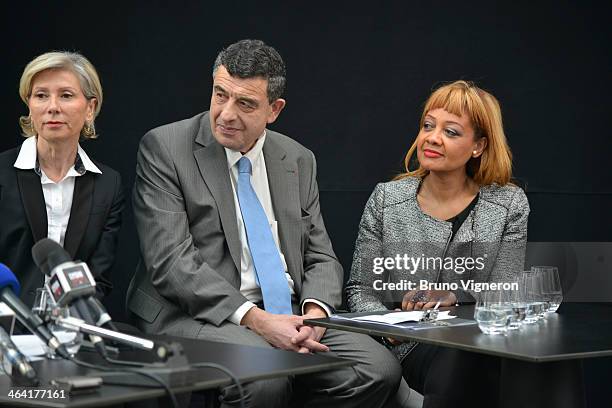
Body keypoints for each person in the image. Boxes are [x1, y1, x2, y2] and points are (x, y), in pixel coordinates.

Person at [127, 39, 403, 408]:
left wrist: (316, 315)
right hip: (192, 312)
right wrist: (257, 319)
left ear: (274, 109)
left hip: (288, 311)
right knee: (264, 377)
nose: (226, 114)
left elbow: (320, 255)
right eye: (220, 94)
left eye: (245, 104)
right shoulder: (165, 148)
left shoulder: (297, 159)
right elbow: (172, 264)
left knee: (376, 369)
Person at [346, 80, 530, 408]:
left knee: (508, 362)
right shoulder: (386, 199)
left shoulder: (509, 204)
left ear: (478, 146)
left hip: (482, 342)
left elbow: (507, 291)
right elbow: (360, 291)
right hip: (410, 345)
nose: (432, 138)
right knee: (462, 361)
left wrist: (455, 297)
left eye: (451, 132)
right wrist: (392, 330)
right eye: (428, 126)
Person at [0, 51, 124, 307]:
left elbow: (99, 279)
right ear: (30, 106)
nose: (52, 107)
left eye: (66, 95)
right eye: (41, 95)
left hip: (72, 329)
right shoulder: (2, 172)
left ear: (90, 108)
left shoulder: (108, 185)